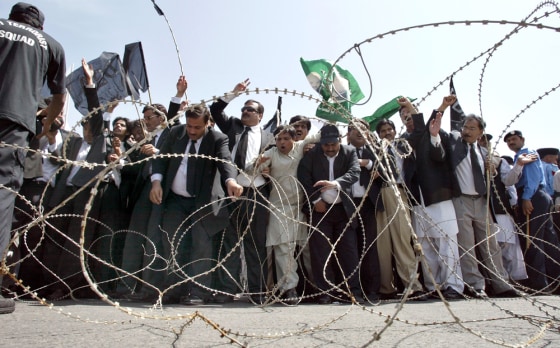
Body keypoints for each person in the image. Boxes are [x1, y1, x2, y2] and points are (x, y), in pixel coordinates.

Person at [0, 2, 65, 314]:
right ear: (39, 25)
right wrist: (47, 125)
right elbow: (58, 95)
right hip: (13, 122)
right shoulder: (49, 44)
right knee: (2, 196)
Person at [148, 103, 242, 304]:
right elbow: (161, 160)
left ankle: (198, 291)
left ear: (208, 123)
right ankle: (174, 288)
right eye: (189, 126)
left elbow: (225, 161)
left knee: (201, 245)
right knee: (172, 242)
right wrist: (156, 182)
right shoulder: (176, 133)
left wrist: (231, 181)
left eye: (197, 127)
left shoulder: (217, 138)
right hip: (175, 200)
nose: (192, 131)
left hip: (202, 201)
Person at [430, 109, 517, 298]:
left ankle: (501, 283)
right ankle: (475, 285)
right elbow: (440, 137)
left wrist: (491, 169)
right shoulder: (455, 145)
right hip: (462, 201)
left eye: (472, 128)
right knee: (467, 245)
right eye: (465, 127)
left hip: (482, 202)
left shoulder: (484, 152)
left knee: (490, 244)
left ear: (480, 132)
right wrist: (441, 113)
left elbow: (493, 172)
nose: (467, 131)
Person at [209, 79, 274, 304]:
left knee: (256, 244)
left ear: (260, 116)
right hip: (232, 193)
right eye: (244, 109)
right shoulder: (233, 127)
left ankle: (257, 291)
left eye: (250, 110)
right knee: (231, 243)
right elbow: (215, 110)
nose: (245, 112)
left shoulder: (269, 137)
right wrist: (233, 94)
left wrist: (270, 172)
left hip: (257, 193)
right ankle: (228, 289)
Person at [401, 96, 464, 300]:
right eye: (405, 117)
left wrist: (442, 109)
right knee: (426, 245)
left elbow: (440, 154)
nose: (408, 119)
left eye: (411, 115)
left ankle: (453, 286)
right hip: (418, 200)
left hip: (438, 196)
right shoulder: (404, 142)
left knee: (447, 242)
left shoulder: (436, 134)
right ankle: (433, 286)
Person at [249, 125, 320, 304]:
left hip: (300, 206)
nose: (282, 142)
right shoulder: (272, 153)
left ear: (293, 139)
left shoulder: (301, 148)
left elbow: (318, 136)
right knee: (283, 248)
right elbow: (252, 168)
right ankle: (289, 288)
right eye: (279, 139)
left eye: (286, 138)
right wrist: (258, 165)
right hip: (279, 206)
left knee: (306, 248)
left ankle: (316, 286)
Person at [297, 124, 364, 304]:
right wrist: (315, 200)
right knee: (321, 253)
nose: (330, 148)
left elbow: (354, 172)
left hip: (344, 209)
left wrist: (336, 184)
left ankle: (352, 291)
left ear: (339, 141)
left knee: (349, 252)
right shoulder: (312, 155)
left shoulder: (349, 152)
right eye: (326, 145)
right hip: (321, 210)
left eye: (333, 144)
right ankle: (325, 292)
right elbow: (304, 176)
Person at [374, 118, 426, 301]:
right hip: (380, 194)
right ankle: (386, 287)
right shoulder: (375, 149)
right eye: (383, 131)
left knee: (403, 239)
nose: (387, 133)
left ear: (395, 131)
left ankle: (413, 285)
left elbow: (419, 133)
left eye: (390, 129)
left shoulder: (403, 146)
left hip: (399, 192)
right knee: (383, 244)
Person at [503, 131, 560, 293]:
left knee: (532, 240)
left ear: (522, 139)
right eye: (508, 141)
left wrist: (527, 197)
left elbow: (533, 178)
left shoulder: (527, 153)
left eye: (514, 139)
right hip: (538, 196)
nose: (511, 142)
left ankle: (538, 283)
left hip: (532, 196)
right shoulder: (523, 155)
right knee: (548, 240)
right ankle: (555, 279)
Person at [346, 119, 382, 303]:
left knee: (369, 247)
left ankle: (372, 289)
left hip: (367, 204)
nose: (360, 132)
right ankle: (353, 289)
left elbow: (387, 171)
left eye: (364, 129)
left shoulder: (375, 151)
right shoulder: (341, 151)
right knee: (350, 248)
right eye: (355, 128)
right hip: (347, 204)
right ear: (348, 133)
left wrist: (368, 164)